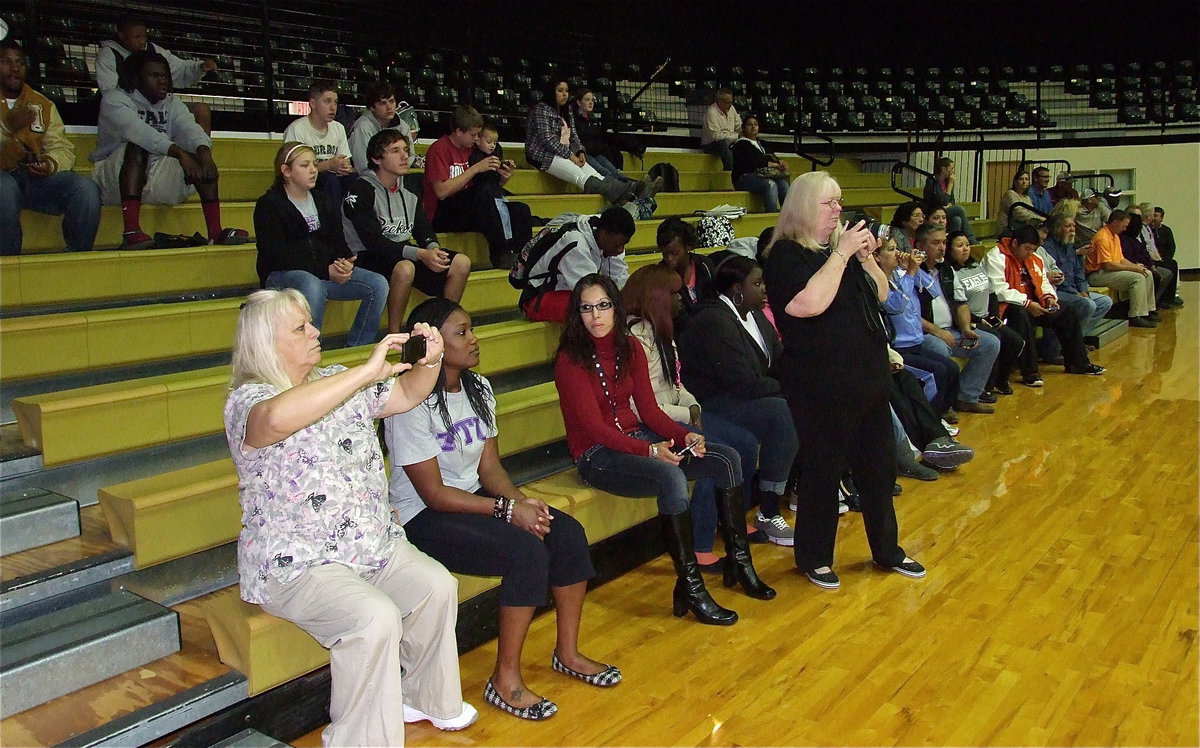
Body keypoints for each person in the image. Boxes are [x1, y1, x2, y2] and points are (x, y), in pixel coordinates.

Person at [223, 288, 475, 746]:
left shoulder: (337, 377)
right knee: (372, 618)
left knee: (436, 586)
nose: (316, 331)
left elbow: (407, 392)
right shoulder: (247, 401)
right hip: (299, 567)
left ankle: (425, 698)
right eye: (301, 328)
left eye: (311, 323)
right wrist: (363, 372)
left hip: (371, 548)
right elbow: (277, 419)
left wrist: (431, 359)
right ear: (266, 342)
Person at [384, 299, 619, 722]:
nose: (474, 339)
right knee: (524, 552)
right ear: (432, 344)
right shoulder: (408, 402)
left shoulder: (478, 388)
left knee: (563, 532)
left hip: (472, 499)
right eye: (461, 333)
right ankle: (504, 680)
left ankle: (567, 653)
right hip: (423, 517)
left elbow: (489, 467)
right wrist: (507, 512)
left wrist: (522, 503)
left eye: (471, 329)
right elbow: (434, 494)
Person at [554, 274, 769, 624]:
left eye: (604, 306)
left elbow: (650, 411)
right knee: (670, 476)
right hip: (596, 455)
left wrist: (685, 437)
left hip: (636, 440)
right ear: (577, 314)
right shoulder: (570, 359)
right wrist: (650, 452)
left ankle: (739, 564)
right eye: (587, 308)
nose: (596, 316)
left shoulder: (631, 347)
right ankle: (691, 585)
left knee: (725, 458)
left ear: (616, 308)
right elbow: (594, 428)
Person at [762, 170, 925, 590]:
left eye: (839, 201)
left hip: (867, 378)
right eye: (828, 203)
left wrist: (866, 256)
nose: (838, 210)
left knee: (878, 470)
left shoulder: (841, 252)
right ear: (803, 206)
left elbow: (883, 295)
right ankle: (813, 558)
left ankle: (888, 550)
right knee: (823, 471)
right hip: (821, 385)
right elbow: (807, 305)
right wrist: (842, 255)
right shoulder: (786, 256)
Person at [621, 265, 765, 574]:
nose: (681, 300)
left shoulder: (661, 332)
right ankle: (700, 546)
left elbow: (676, 385)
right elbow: (644, 406)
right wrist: (688, 414)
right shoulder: (634, 338)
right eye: (674, 294)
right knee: (717, 454)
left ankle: (732, 520)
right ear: (655, 297)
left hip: (677, 412)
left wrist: (694, 406)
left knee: (746, 442)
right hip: (652, 424)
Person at [678, 255, 800, 545]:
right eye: (757, 283)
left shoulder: (755, 315)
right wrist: (788, 388)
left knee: (802, 403)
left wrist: (799, 380)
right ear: (737, 290)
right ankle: (768, 510)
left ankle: (802, 490)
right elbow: (742, 382)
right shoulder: (714, 319)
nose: (764, 289)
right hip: (713, 402)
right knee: (782, 414)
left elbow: (780, 359)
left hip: (743, 397)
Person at [91, 50, 248, 250]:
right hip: (114, 178)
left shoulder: (172, 103)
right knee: (137, 147)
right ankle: (131, 231)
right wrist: (180, 154)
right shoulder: (115, 99)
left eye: (164, 76)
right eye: (154, 76)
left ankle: (215, 234)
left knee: (200, 156)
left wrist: (205, 154)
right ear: (137, 77)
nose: (162, 81)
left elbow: (189, 130)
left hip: (156, 174)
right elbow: (140, 133)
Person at [253, 142, 387, 348]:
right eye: (305, 165)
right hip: (282, 276)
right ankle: (309, 350)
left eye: (315, 164)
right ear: (286, 171)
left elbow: (336, 239)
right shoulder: (269, 204)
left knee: (377, 284)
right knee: (311, 285)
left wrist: (345, 262)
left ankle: (359, 347)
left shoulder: (323, 199)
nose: (313, 170)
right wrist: (325, 270)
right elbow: (277, 255)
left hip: (322, 272)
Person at [343, 129, 471, 334]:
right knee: (405, 268)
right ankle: (394, 334)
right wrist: (420, 254)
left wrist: (433, 249)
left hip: (402, 253)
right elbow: (374, 242)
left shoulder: (410, 189)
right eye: (395, 151)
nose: (404, 156)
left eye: (405, 150)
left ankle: (443, 327)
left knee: (460, 263)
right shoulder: (361, 190)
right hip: (368, 256)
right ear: (377, 158)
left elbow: (423, 230)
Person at [1, 40, 101, 255]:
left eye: (20, 62)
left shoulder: (42, 104)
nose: (14, 68)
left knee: (86, 189)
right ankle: (8, 266)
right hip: (2, 179)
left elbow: (62, 148)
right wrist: (7, 128)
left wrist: (49, 164)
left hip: (31, 179)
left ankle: (78, 259)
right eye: (6, 62)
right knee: (5, 188)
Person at [985, 224, 1105, 380]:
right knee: (1021, 315)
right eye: (1027, 249)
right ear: (1014, 243)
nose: (1029, 253)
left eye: (1032, 250)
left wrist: (1049, 298)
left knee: (1067, 311)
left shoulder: (1034, 258)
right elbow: (998, 290)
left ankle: (1078, 363)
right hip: (1008, 306)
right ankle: (1030, 372)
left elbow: (1043, 281)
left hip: (1034, 302)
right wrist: (1027, 303)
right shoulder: (996, 256)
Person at [423, 106, 530, 269]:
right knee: (483, 192)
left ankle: (523, 259)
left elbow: (489, 191)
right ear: (459, 131)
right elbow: (441, 192)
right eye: (473, 135)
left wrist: (502, 179)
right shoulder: (439, 149)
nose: (476, 139)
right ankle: (500, 253)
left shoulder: (474, 151)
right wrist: (475, 169)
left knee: (521, 210)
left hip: (473, 208)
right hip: (444, 212)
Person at [912, 223, 1001, 414]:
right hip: (925, 334)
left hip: (952, 330)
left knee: (990, 343)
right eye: (936, 243)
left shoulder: (946, 269)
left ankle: (966, 397)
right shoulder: (911, 272)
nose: (942, 247)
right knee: (939, 348)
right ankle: (942, 405)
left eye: (944, 242)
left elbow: (961, 303)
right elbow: (911, 314)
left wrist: (967, 329)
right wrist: (938, 332)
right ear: (919, 245)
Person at [95, 13, 215, 133]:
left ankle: (201, 151)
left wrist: (200, 67)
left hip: (158, 107)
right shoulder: (108, 54)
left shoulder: (153, 50)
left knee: (201, 110)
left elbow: (180, 69)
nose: (142, 41)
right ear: (122, 36)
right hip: (128, 109)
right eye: (137, 37)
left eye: (144, 36)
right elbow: (110, 91)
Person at [524, 78, 638, 204]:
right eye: (560, 90)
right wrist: (570, 156)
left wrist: (580, 151)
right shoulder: (541, 110)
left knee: (595, 174)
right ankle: (623, 195)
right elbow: (547, 140)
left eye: (567, 91)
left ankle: (628, 194)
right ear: (552, 92)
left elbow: (573, 136)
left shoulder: (567, 111)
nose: (564, 94)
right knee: (579, 175)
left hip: (565, 153)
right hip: (543, 155)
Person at [517, 206, 635, 323]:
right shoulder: (575, 243)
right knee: (595, 309)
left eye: (624, 245)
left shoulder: (608, 237)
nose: (620, 250)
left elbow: (620, 280)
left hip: (569, 292)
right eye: (618, 245)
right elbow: (591, 292)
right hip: (537, 298)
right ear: (603, 233)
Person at [944, 231, 1024, 396]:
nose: (965, 249)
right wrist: (979, 319)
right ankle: (984, 387)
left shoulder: (975, 266)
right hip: (969, 320)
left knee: (1016, 341)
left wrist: (995, 317)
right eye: (959, 246)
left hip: (988, 316)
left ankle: (1000, 381)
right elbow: (957, 304)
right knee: (996, 340)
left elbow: (991, 292)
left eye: (967, 245)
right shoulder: (950, 273)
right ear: (949, 250)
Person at [283, 80, 356, 207]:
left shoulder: (338, 128)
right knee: (330, 180)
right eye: (327, 101)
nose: (333, 107)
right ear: (313, 103)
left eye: (335, 102)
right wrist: (329, 165)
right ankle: (334, 224)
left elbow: (345, 161)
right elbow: (294, 169)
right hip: (308, 179)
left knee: (355, 178)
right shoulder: (297, 129)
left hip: (333, 177)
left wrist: (344, 167)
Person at [1041, 213, 1114, 337]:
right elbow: (1057, 277)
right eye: (1068, 226)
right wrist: (1076, 294)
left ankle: (1078, 339)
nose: (1072, 229)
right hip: (1058, 291)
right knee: (1088, 304)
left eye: (1073, 226)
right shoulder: (1048, 247)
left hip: (1074, 290)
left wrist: (1083, 290)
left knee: (1105, 301)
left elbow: (1079, 272)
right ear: (1058, 228)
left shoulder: (1070, 247)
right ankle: (1072, 342)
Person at [1084, 209, 1157, 328]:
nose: (1125, 229)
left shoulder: (1115, 236)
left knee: (1146, 273)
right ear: (1115, 222)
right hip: (1097, 274)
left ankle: (1147, 310)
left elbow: (1121, 259)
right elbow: (1108, 264)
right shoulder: (1103, 237)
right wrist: (1133, 270)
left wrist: (1136, 266)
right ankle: (1135, 315)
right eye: (1123, 226)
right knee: (1137, 278)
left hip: (1108, 271)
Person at [349, 81, 420, 174]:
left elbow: (410, 156)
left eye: (392, 101)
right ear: (372, 107)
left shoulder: (403, 127)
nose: (389, 107)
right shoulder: (362, 127)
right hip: (367, 180)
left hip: (396, 178)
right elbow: (363, 165)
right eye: (382, 103)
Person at [657, 217, 714, 326]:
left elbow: (714, 301)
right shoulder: (661, 274)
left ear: (688, 246)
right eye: (664, 254)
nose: (669, 259)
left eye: (674, 253)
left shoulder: (704, 265)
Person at [730, 116, 790, 212]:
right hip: (744, 177)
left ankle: (788, 216)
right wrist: (769, 164)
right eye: (749, 125)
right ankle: (771, 216)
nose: (753, 127)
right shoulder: (739, 144)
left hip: (762, 175)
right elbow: (751, 162)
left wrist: (780, 162)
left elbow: (772, 157)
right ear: (744, 128)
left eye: (755, 124)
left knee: (784, 184)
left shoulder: (763, 143)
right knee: (770, 184)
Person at [923, 157, 977, 243]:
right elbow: (943, 201)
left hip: (945, 209)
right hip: (934, 211)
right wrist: (951, 184)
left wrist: (950, 204)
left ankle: (953, 243)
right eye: (951, 168)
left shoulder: (947, 181)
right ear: (943, 169)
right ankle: (971, 239)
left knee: (957, 220)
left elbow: (952, 200)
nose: (952, 171)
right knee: (960, 209)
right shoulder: (932, 181)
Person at [1150, 206, 1183, 308]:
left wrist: (1166, 258)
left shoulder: (1167, 230)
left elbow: (1171, 247)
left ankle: (1170, 297)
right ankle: (1161, 299)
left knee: (1173, 264)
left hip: (1164, 258)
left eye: (1156, 216)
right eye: (1152, 215)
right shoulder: (1148, 230)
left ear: (1162, 218)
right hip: (1152, 259)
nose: (1153, 218)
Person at [700, 88, 741, 171]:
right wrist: (737, 136)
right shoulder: (711, 112)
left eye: (731, 102)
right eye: (727, 102)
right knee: (724, 144)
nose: (730, 105)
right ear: (719, 101)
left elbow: (738, 125)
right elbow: (716, 136)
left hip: (730, 139)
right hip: (711, 144)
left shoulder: (731, 108)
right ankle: (729, 172)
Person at [997, 170, 1038, 236]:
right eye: (1021, 179)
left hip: (1021, 226)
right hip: (1007, 228)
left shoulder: (1027, 197)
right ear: (1015, 182)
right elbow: (1019, 213)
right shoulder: (1010, 194)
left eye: (1026, 179)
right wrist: (1038, 218)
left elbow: (1031, 212)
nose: (1024, 182)